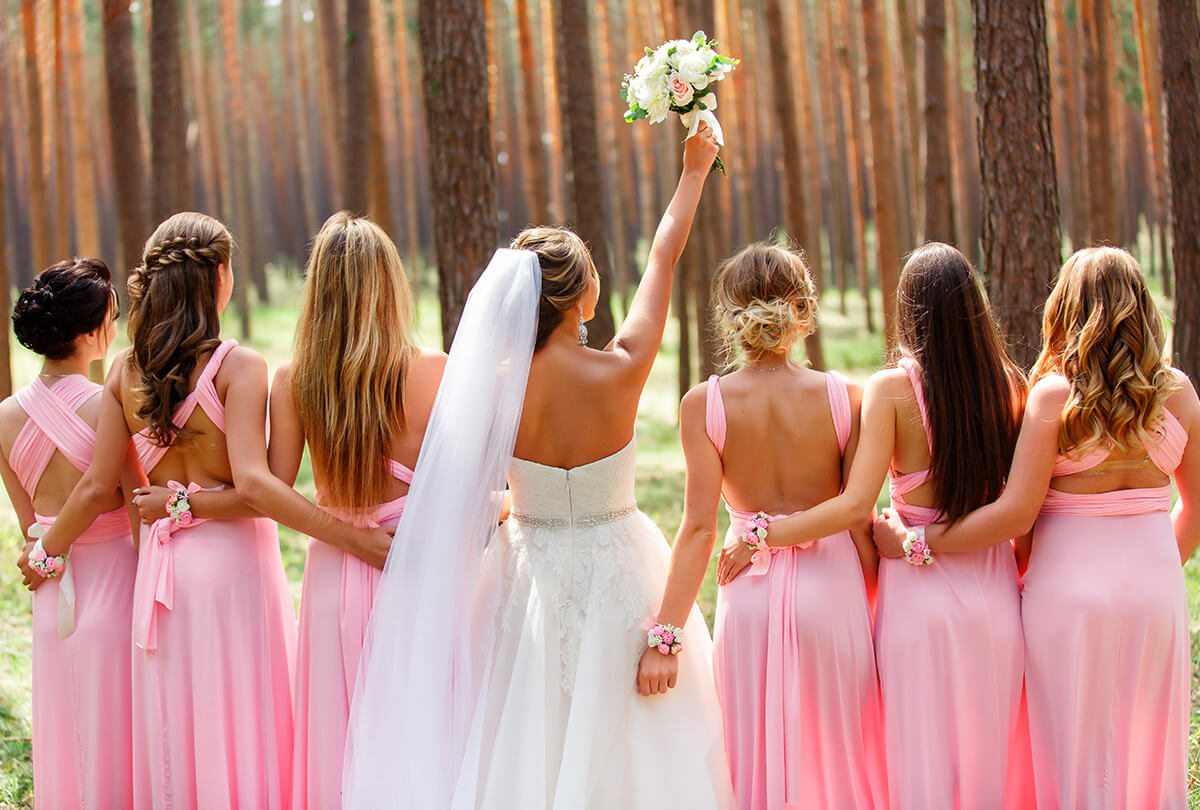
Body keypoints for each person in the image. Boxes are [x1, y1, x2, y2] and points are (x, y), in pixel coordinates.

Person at [344, 123, 731, 809]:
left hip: (526, 579)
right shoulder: (623, 367)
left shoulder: (494, 387)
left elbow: (468, 494)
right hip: (621, 569)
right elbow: (664, 255)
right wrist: (694, 169)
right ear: (582, 298)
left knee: (523, 744)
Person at [27, 212, 385, 809]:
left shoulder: (124, 372)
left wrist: (165, 504)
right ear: (219, 275)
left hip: (161, 576)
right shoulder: (240, 367)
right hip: (235, 570)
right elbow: (259, 487)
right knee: (243, 720)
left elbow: (103, 483)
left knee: (172, 730)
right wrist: (352, 538)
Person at [875, 246, 1199, 810]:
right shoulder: (1179, 393)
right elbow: (1195, 506)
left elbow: (1016, 514)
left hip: (1067, 594)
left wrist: (917, 542)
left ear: (1067, 310)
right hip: (1157, 592)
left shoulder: (1055, 397)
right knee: (1150, 743)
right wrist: (1156, 564)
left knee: (1070, 746)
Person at [733, 243, 1033, 809]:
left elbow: (856, 505)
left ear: (908, 310)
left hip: (915, 600)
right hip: (994, 595)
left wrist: (762, 534)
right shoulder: (1011, 385)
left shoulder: (892, 390)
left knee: (918, 763)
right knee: (987, 759)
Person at [638, 242, 886, 809]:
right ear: (803, 311)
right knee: (839, 752)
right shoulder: (845, 396)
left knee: (752, 755)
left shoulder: (704, 404)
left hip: (747, 594)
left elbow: (699, 528)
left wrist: (667, 636)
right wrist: (873, 599)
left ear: (729, 316)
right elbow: (858, 518)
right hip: (834, 592)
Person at [272, 212, 445, 808]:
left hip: (330, 574)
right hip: (418, 566)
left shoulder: (295, 379)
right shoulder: (435, 372)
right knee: (422, 726)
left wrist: (345, 534)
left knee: (335, 737)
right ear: (391, 284)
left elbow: (272, 490)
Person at [6, 259, 142, 805]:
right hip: (115, 580)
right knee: (120, 725)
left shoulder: (3, 417)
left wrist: (46, 550)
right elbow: (134, 500)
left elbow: (27, 523)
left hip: (50, 584)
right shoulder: (108, 402)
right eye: (113, 316)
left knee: (67, 725)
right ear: (91, 333)